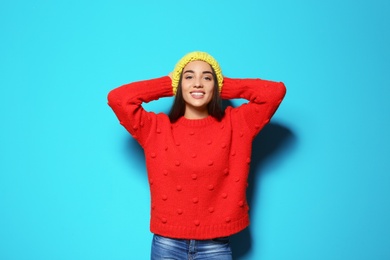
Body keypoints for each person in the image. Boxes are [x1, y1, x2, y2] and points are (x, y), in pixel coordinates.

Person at [107, 51, 286, 259]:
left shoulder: (237, 124)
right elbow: (118, 98)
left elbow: (274, 92)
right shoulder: (155, 128)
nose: (198, 83)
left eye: (207, 77)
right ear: (178, 84)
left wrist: (220, 85)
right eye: (189, 76)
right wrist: (168, 83)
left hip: (215, 247)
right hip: (167, 245)